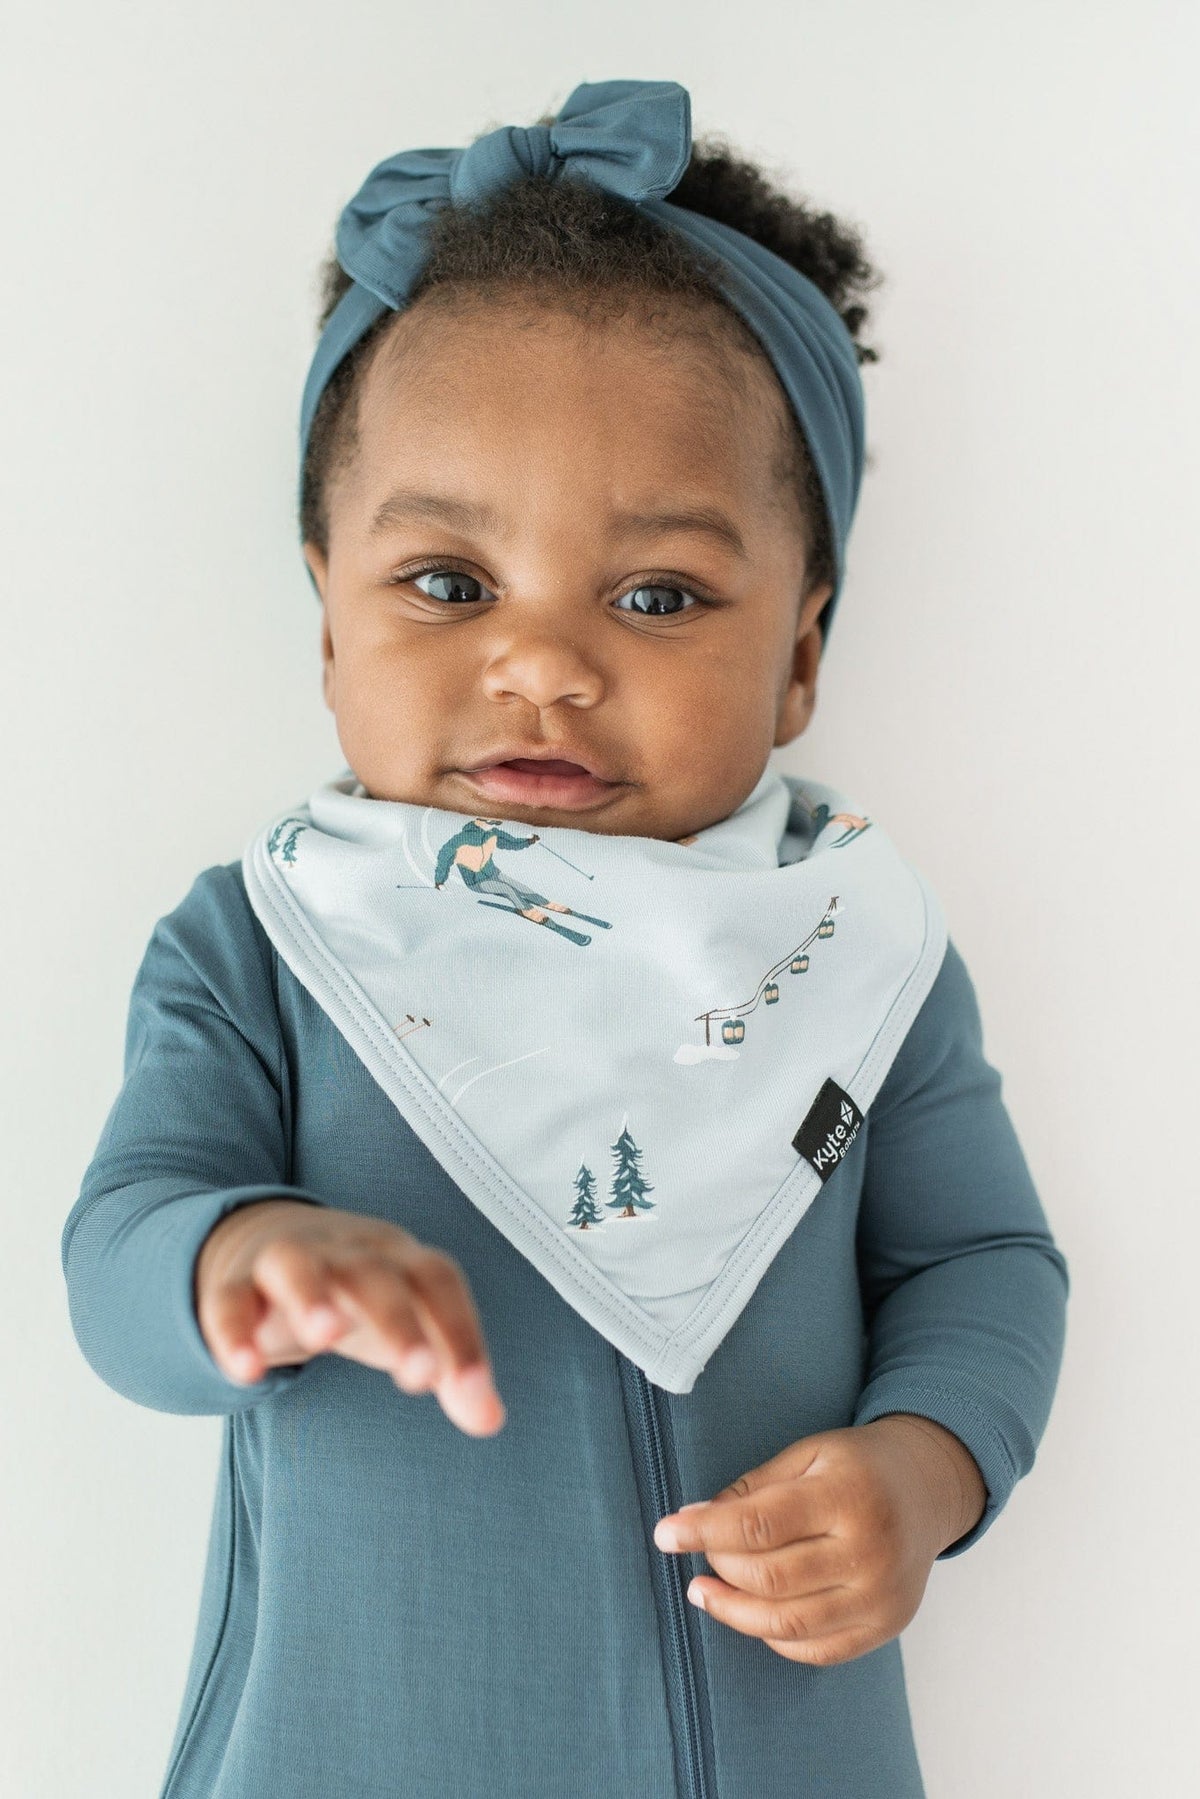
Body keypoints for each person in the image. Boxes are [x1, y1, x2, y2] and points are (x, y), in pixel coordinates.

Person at [61, 78, 1070, 1799]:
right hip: (342, 1743)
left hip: (777, 1752)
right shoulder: (268, 945)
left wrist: (919, 1474)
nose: (540, 665)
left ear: (803, 654)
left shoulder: (852, 957)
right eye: (449, 584)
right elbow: (119, 1250)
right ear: (327, 619)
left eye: (658, 596)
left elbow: (982, 1268)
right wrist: (237, 1262)